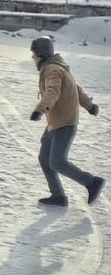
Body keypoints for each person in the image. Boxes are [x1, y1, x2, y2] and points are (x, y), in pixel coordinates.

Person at [29, 36, 105, 207]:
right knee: (44, 158)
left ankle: (92, 182)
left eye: (34, 54)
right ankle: (58, 196)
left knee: (57, 162)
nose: (32, 57)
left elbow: (53, 92)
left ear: (41, 54)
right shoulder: (58, 67)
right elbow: (76, 88)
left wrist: (40, 109)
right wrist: (89, 105)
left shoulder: (52, 70)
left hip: (64, 122)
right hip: (56, 121)